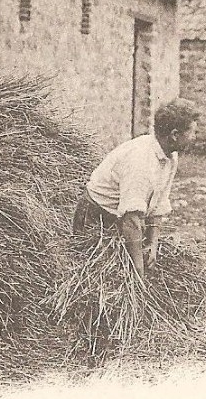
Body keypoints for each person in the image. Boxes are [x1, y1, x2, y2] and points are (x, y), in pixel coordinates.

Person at [73, 98, 199, 278]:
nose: (195, 138)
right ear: (174, 135)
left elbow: (158, 205)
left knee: (138, 267)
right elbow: (130, 220)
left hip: (122, 218)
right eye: (193, 132)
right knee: (98, 277)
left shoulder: (170, 157)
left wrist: (152, 244)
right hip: (95, 217)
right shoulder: (141, 161)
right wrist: (138, 269)